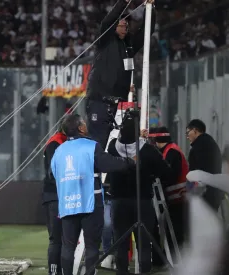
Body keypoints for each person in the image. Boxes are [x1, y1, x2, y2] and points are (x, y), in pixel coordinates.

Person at [51, 114, 135, 275]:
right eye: (84, 122)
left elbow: (53, 174)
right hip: (90, 203)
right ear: (81, 128)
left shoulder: (59, 150)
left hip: (68, 204)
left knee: (68, 246)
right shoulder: (90, 146)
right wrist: (130, 162)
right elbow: (108, 164)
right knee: (91, 247)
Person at [85, 0, 156, 149]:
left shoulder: (128, 46)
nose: (125, 29)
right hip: (99, 100)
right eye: (121, 26)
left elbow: (146, 32)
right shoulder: (104, 41)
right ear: (114, 28)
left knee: (112, 143)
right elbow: (107, 21)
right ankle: (94, 172)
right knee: (97, 143)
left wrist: (150, 9)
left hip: (116, 104)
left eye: (126, 26)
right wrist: (124, 2)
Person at [107, 117, 171, 275]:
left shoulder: (112, 147)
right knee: (143, 243)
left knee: (121, 242)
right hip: (142, 201)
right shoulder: (148, 150)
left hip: (118, 202)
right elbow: (165, 171)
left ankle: (122, 271)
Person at [148, 126, 189, 268]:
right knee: (173, 231)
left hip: (176, 198)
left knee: (175, 231)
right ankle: (173, 259)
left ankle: (176, 261)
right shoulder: (170, 150)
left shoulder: (171, 152)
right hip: (174, 197)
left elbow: (171, 175)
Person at [42, 126, 67, 275]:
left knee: (64, 239)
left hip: (59, 196)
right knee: (56, 239)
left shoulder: (61, 142)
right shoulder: (55, 143)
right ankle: (54, 272)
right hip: (55, 197)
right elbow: (53, 173)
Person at [186, 119, 223, 211]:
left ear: (195, 130)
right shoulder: (212, 143)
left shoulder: (197, 148)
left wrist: (188, 192)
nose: (187, 136)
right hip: (215, 193)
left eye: (188, 132)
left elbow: (194, 176)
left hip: (203, 195)